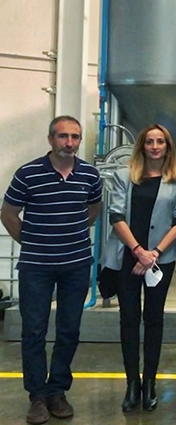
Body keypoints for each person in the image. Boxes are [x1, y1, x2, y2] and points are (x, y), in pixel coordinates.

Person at [1, 116, 102, 425]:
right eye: (63, 136)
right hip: (36, 267)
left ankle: (57, 390)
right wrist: (33, 242)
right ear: (50, 139)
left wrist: (69, 236)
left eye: (75, 137)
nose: (69, 143)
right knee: (34, 331)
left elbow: (93, 210)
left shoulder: (90, 175)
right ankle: (37, 396)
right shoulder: (28, 173)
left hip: (76, 265)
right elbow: (8, 213)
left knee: (69, 330)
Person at [102, 124, 176, 413]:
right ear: (141, 145)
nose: (154, 146)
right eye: (149, 141)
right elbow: (116, 215)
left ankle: (150, 382)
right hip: (127, 258)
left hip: (159, 261)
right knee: (129, 319)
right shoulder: (124, 175)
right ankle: (132, 384)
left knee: (154, 319)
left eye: (160, 141)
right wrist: (138, 251)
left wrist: (155, 254)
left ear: (167, 146)